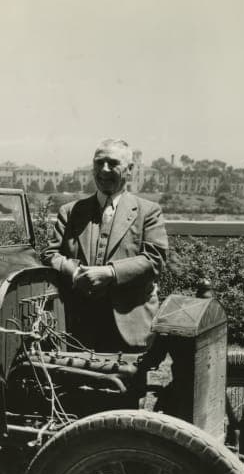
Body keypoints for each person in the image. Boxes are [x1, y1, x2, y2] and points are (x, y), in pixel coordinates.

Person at [42, 138, 168, 352]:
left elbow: (155, 259)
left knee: (127, 383)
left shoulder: (148, 211)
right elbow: (49, 254)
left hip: (130, 327)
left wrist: (110, 272)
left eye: (112, 163)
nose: (104, 170)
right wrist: (74, 273)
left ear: (129, 169)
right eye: (99, 163)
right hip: (77, 326)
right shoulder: (71, 212)